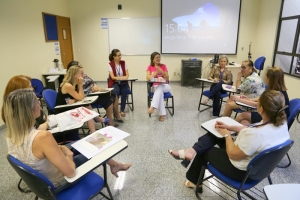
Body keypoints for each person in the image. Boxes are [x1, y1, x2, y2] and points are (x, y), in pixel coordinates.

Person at [4, 89, 131, 188]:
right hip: (60, 182)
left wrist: (59, 148)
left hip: (41, 183)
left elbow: (37, 152)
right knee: (92, 148)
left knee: (81, 144)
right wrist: (67, 154)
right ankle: (115, 165)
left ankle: (115, 165)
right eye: (36, 101)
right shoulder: (42, 136)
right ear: (30, 110)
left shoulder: (11, 135)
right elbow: (70, 172)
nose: (39, 102)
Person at [169, 90, 290, 192]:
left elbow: (233, 154)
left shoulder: (256, 135)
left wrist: (227, 135)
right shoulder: (280, 122)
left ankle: (195, 180)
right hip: (259, 167)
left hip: (242, 172)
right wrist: (229, 127)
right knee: (215, 134)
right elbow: (251, 128)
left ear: (261, 108)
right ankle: (192, 150)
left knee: (205, 150)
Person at [1, 75, 80, 142]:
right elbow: (36, 130)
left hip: (42, 134)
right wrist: (49, 122)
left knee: (71, 124)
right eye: (29, 87)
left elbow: (43, 118)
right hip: (40, 139)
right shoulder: (22, 111)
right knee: (72, 132)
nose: (32, 89)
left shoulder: (24, 105)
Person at [67, 61, 123, 125]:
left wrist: (96, 86)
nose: (81, 68)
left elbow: (92, 82)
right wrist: (91, 90)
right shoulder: (76, 80)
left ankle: (115, 116)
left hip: (93, 93)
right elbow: (81, 92)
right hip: (88, 96)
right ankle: (110, 121)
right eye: (79, 66)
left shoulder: (84, 75)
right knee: (108, 99)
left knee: (113, 95)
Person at [55, 64, 108, 133]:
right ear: (75, 75)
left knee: (87, 106)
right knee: (87, 110)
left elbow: (81, 97)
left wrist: (74, 100)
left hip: (70, 106)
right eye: (81, 73)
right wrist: (80, 85)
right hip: (63, 110)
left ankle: (95, 125)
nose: (83, 75)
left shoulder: (75, 84)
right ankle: (95, 128)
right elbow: (80, 97)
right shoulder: (68, 85)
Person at [146, 52, 171, 122]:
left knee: (160, 88)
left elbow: (167, 78)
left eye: (159, 57)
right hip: (155, 87)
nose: (158, 59)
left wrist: (161, 71)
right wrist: (156, 72)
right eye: (156, 57)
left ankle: (153, 106)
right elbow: (148, 78)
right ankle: (162, 115)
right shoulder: (150, 67)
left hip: (165, 86)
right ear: (153, 59)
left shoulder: (163, 66)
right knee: (160, 93)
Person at [108, 49, 130, 118]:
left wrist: (121, 78)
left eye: (120, 55)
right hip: (115, 83)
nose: (120, 57)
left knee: (125, 91)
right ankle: (116, 112)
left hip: (123, 82)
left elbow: (127, 75)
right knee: (115, 92)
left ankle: (122, 110)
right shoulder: (110, 64)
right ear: (114, 57)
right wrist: (121, 77)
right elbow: (113, 77)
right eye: (118, 55)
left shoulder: (124, 63)